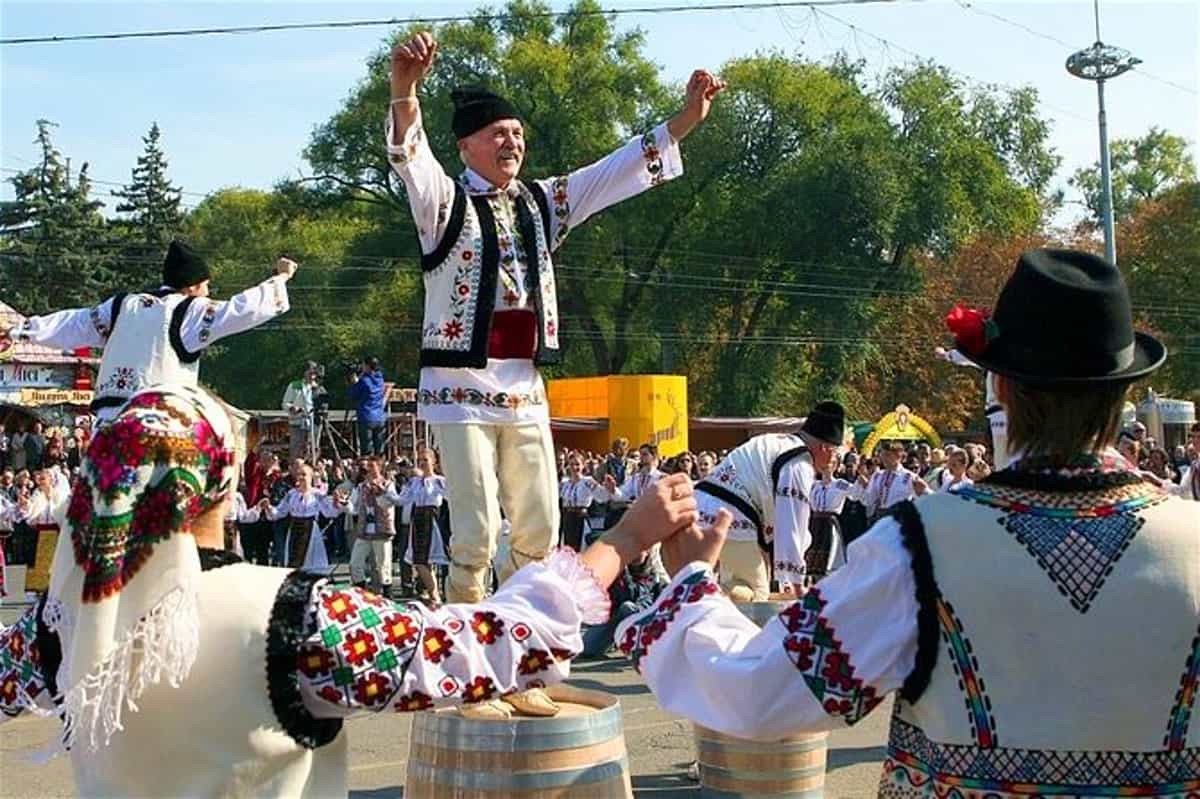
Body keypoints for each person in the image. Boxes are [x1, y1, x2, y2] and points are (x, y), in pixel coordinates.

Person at [616, 248, 1200, 797]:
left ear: (999, 386)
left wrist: (692, 581)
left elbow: (759, 694)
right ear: (1124, 393)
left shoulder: (923, 545)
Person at [0, 385, 698, 795]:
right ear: (222, 482)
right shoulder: (290, 615)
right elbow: (481, 647)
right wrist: (625, 541)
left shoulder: (60, 628)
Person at [386, 31, 725, 606]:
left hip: (523, 385)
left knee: (540, 528)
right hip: (459, 387)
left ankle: (525, 654)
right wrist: (404, 87)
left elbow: (611, 173)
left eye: (518, 133)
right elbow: (411, 158)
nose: (512, 141)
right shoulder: (444, 204)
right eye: (498, 133)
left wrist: (685, 121)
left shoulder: (542, 202)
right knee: (474, 532)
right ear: (466, 146)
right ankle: (472, 666)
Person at [1, 241, 295, 421]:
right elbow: (241, 309)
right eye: (206, 285)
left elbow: (72, 324)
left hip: (108, 424)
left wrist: (20, 330)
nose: (209, 292)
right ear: (191, 286)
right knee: (218, 447)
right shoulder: (188, 311)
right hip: (163, 420)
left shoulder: (120, 306)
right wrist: (280, 278)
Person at [380, 449, 447, 603]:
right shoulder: (414, 482)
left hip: (432, 519)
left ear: (433, 462)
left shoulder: (439, 481)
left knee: (428, 559)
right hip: (417, 520)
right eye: (420, 460)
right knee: (419, 561)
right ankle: (433, 593)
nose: (423, 463)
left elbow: (451, 497)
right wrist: (387, 491)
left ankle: (435, 594)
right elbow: (402, 500)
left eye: (426, 460)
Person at [262, 463, 346, 569]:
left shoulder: (317, 494)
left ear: (310, 477)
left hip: (310, 530)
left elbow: (329, 512)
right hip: (294, 531)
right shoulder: (291, 494)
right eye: (298, 474)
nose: (301, 477)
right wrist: (268, 507)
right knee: (294, 561)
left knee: (311, 562)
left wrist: (336, 503)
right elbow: (280, 512)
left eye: (304, 474)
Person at [346, 456, 398, 595]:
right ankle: (362, 590)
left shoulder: (388, 484)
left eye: (372, 466)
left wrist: (381, 493)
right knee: (355, 563)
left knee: (383, 564)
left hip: (382, 528)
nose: (369, 469)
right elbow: (354, 507)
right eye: (368, 466)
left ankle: (387, 593)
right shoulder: (361, 486)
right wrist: (344, 504)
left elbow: (393, 502)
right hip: (364, 530)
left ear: (380, 468)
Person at [559, 451, 607, 552]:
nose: (574, 467)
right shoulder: (564, 483)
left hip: (580, 518)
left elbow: (602, 496)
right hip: (568, 518)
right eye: (572, 464)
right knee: (567, 549)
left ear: (583, 465)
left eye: (577, 464)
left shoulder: (587, 482)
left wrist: (608, 488)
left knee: (581, 548)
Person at [283, 362, 322, 463]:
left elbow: (323, 404)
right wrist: (293, 408)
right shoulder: (294, 385)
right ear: (305, 372)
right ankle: (294, 469)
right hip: (297, 422)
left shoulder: (318, 388)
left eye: (314, 372)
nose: (312, 374)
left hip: (314, 423)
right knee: (296, 448)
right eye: (310, 371)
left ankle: (312, 467)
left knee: (313, 448)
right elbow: (285, 404)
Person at [349, 356, 388, 456]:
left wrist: (354, 382)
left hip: (366, 417)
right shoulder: (380, 379)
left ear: (367, 366)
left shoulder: (364, 381)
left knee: (366, 449)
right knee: (379, 448)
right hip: (379, 417)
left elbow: (353, 395)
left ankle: (366, 468)